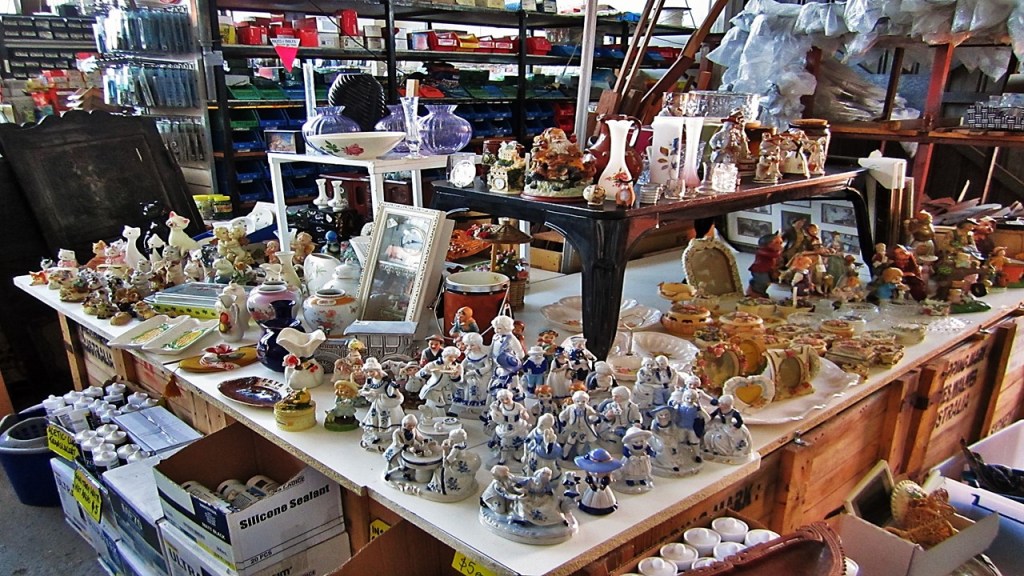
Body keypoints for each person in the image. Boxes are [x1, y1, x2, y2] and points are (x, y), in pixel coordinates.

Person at [359, 357, 405, 450]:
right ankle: (378, 436)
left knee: (389, 420)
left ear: (377, 370)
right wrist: (368, 393)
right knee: (375, 420)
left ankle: (391, 437)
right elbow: (364, 390)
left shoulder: (386, 380)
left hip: (387, 403)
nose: (369, 374)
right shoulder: (370, 380)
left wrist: (393, 392)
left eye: (371, 371)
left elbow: (393, 392)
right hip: (377, 404)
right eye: (367, 372)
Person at [417, 345, 462, 421]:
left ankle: (443, 416)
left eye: (455, 357)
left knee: (448, 404)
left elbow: (459, 380)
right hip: (435, 389)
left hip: (447, 389)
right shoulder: (434, 364)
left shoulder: (457, 366)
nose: (453, 359)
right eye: (450, 357)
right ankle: (441, 419)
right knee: (439, 404)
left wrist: (455, 376)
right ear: (445, 355)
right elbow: (419, 374)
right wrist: (426, 372)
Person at [383, 414, 430, 482]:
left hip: (409, 450)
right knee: (403, 466)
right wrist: (408, 448)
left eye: (413, 425)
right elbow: (397, 444)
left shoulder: (413, 430)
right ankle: (389, 473)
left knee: (411, 463)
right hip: (398, 451)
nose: (412, 427)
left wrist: (424, 441)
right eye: (410, 426)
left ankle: (406, 474)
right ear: (404, 424)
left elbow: (419, 437)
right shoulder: (397, 432)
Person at [558, 390, 600, 461]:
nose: (580, 403)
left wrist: (594, 419)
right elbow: (562, 415)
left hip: (583, 429)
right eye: (578, 401)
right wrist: (563, 421)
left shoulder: (588, 409)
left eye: (583, 401)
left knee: (582, 442)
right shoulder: (570, 408)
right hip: (573, 428)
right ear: (574, 401)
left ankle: (579, 454)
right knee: (570, 442)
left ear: (586, 401)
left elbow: (594, 415)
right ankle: (565, 454)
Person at [748, 232, 783, 297]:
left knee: (767, 281)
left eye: (780, 243)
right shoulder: (762, 251)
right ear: (767, 244)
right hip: (759, 270)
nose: (780, 245)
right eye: (776, 243)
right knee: (763, 281)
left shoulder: (774, 251)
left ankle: (759, 289)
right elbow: (774, 255)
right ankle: (757, 293)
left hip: (767, 269)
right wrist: (780, 251)